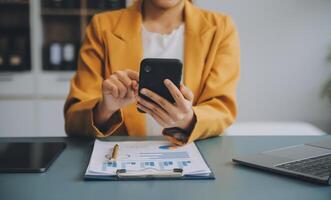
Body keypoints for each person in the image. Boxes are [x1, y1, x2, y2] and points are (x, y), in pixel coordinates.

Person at [64, 0, 240, 145]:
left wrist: (187, 120)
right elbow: (73, 120)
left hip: (193, 158)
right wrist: (105, 108)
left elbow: (222, 110)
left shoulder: (220, 28)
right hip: (119, 161)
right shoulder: (102, 26)